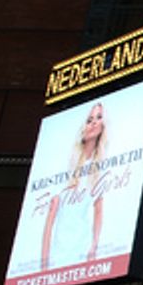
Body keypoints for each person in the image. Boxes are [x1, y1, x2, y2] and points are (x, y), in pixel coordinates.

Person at [41, 102, 106, 270]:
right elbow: (50, 219)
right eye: (89, 119)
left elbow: (99, 211)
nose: (93, 122)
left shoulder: (99, 168)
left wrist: (94, 246)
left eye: (99, 118)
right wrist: (43, 263)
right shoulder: (66, 165)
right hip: (58, 253)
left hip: (81, 253)